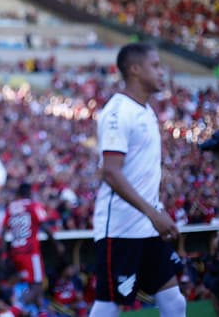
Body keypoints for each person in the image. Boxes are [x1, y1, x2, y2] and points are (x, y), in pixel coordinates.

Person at [88, 43, 185, 316]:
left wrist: (157, 211)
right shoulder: (119, 112)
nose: (161, 72)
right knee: (109, 307)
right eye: (154, 65)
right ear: (134, 69)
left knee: (174, 301)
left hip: (146, 227)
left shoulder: (146, 111)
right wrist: (153, 213)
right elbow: (111, 172)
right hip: (120, 230)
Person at [1, 182, 61, 315]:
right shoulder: (34, 206)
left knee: (33, 286)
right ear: (29, 192)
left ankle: (41, 313)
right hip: (30, 252)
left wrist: (5, 254)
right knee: (37, 286)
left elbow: (2, 231)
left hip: (16, 251)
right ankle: (11, 313)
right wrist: (57, 244)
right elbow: (45, 226)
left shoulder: (11, 207)